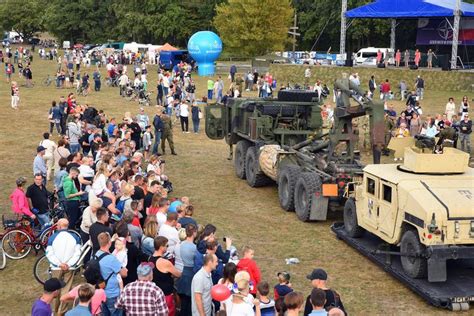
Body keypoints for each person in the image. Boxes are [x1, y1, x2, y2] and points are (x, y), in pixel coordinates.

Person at [45, 218, 82, 315]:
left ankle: (55, 310)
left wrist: (59, 264)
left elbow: (49, 253)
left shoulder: (52, 237)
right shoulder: (75, 237)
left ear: (59, 226)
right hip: (70, 267)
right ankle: (62, 311)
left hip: (56, 268)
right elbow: (77, 253)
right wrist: (69, 264)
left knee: (54, 289)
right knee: (66, 288)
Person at [95, 232, 128, 314]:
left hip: (101, 290)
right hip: (112, 293)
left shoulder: (96, 254)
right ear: (109, 243)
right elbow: (124, 274)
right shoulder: (111, 259)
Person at [150, 236, 182, 316]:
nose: (167, 248)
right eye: (166, 246)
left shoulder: (150, 258)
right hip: (166, 294)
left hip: (155, 293)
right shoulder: (164, 262)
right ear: (161, 247)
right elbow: (178, 274)